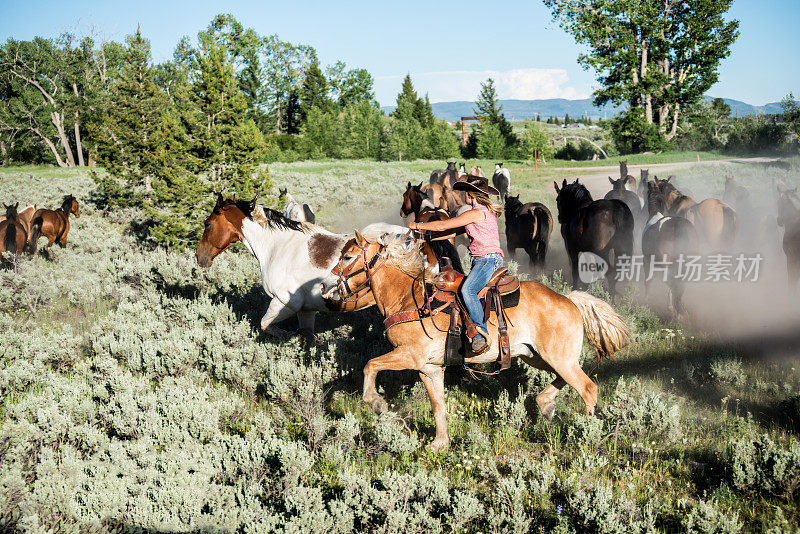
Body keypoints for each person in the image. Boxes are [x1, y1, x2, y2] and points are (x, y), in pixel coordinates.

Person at [409, 176, 503, 354]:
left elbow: (444, 225)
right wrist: (430, 238)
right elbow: (451, 231)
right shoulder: (479, 214)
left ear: (470, 195)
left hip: (487, 260)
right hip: (485, 260)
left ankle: (480, 335)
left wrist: (417, 225)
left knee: (467, 290)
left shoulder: (475, 213)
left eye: (465, 192)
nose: (463, 195)